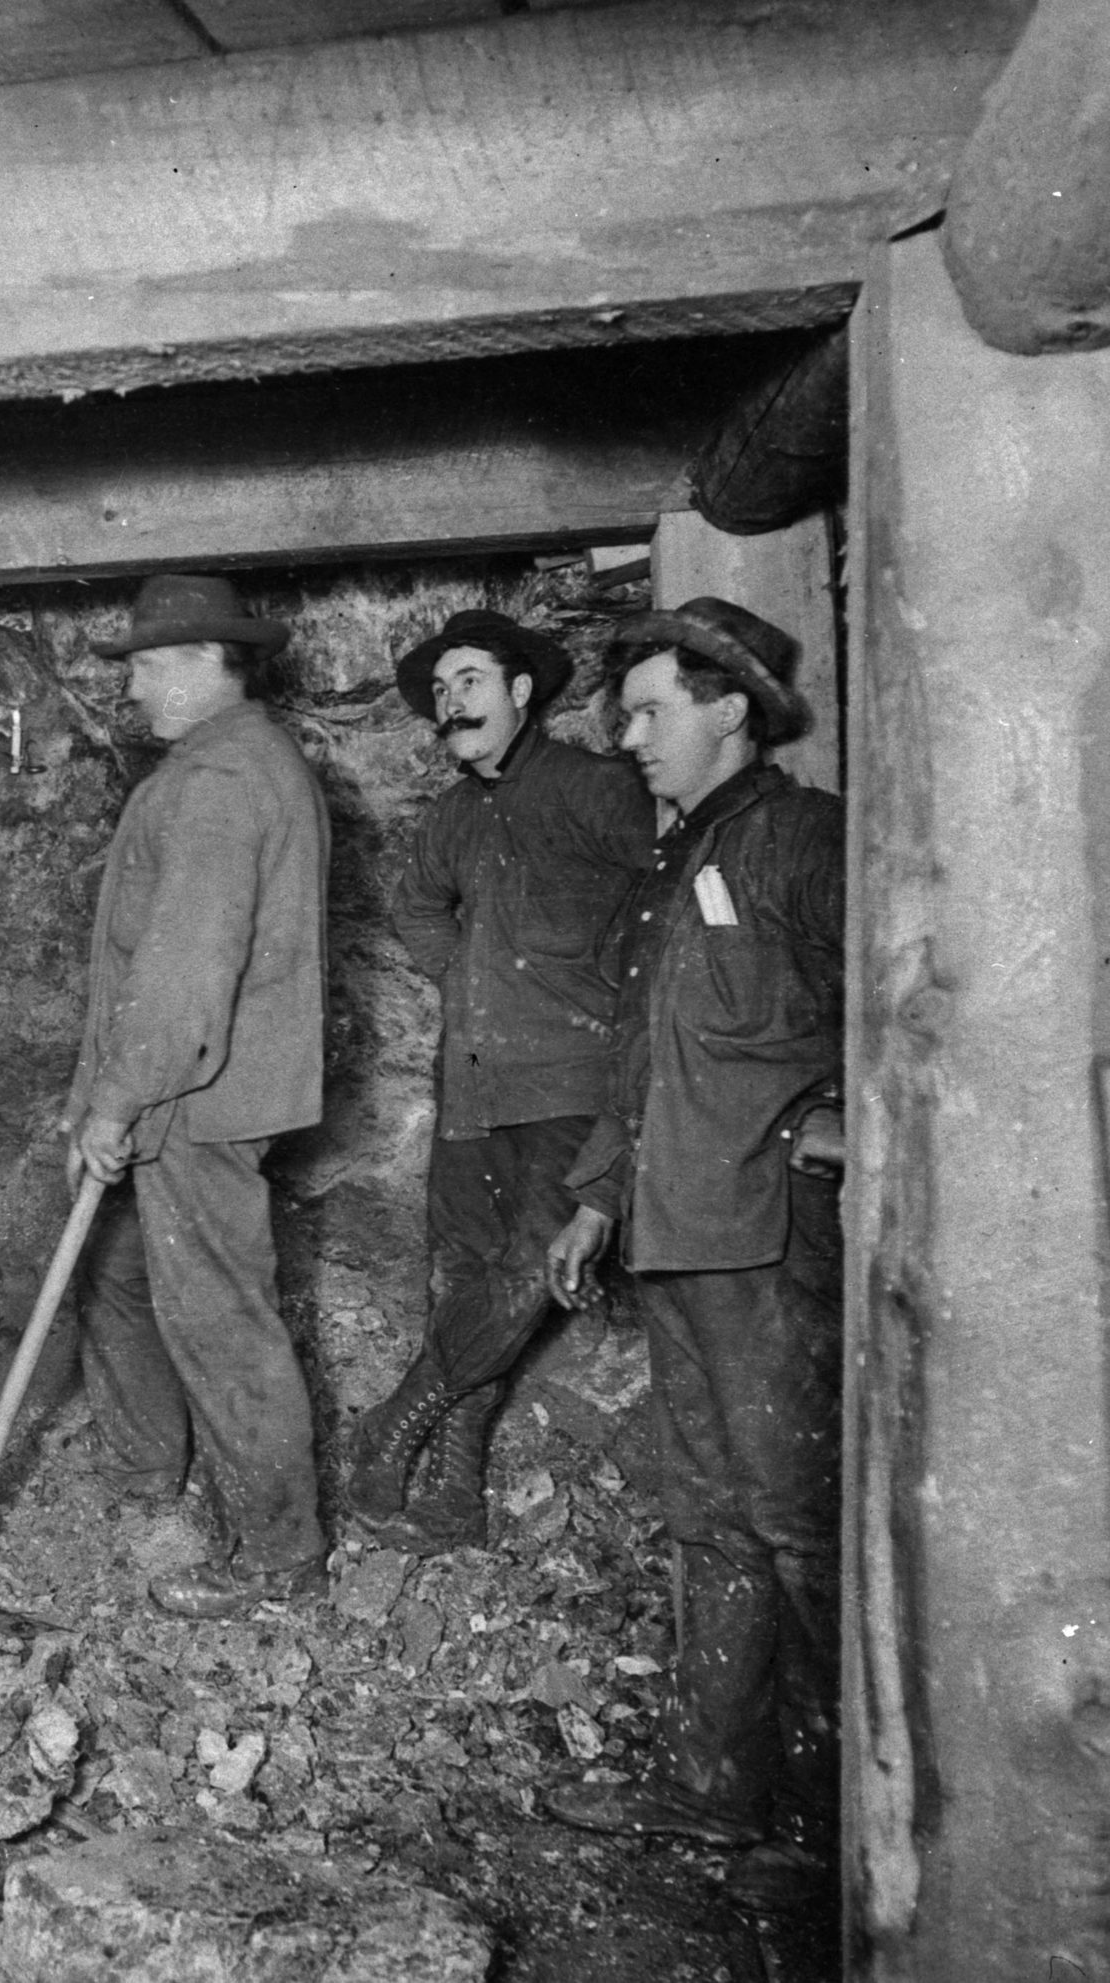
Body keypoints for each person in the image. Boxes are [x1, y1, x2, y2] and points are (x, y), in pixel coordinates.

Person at [538, 597, 843, 1918]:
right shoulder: (676, 863)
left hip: (767, 1246)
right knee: (711, 1518)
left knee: (796, 1527)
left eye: (655, 707)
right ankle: (713, 1791)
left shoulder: (808, 845)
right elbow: (638, 1064)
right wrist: (597, 1200)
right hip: (673, 1235)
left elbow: (908, 1004)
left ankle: (852, 1824)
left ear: (733, 706)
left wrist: (835, 1128)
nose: (633, 733)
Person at [352, 609, 655, 1550]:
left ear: (523, 691)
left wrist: (606, 990)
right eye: (441, 692)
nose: (451, 703)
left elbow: (669, 889)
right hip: (476, 1075)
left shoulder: (595, 789)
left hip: (574, 1079)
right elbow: (415, 906)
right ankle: (453, 1491)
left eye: (470, 681)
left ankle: (394, 1419)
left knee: (531, 1271)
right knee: (473, 1273)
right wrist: (461, 972)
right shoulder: (452, 813)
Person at [64, 572, 332, 1619]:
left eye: (142, 664)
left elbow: (181, 979)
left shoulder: (221, 780)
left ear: (204, 663)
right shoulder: (225, 765)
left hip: (194, 1104)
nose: (130, 689)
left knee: (222, 1324)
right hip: (193, 1094)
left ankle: (275, 1558)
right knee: (126, 1281)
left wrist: (116, 1104)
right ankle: (154, 1489)